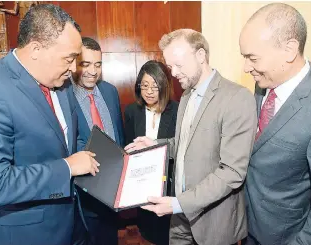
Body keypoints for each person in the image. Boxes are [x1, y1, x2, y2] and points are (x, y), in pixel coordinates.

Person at [0, 4, 99, 245]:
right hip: (28, 235)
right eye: (69, 58)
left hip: (74, 224)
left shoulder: (61, 82)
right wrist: (67, 168)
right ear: (36, 49)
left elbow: (69, 141)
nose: (74, 68)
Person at [125, 29, 257, 245]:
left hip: (214, 223)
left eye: (178, 64)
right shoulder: (186, 96)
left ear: (201, 56)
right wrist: (156, 144)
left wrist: (178, 204)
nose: (173, 73)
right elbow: (184, 143)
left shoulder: (237, 98)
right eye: (170, 66)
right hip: (180, 220)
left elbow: (232, 172)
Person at [239, 3, 311, 245]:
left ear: (289, 50)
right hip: (247, 230)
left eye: (252, 58)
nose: (246, 67)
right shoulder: (263, 83)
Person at [72, 37, 125, 245]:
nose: (93, 71)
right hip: (83, 195)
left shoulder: (110, 91)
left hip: (112, 192)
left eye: (98, 64)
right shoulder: (64, 95)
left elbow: (118, 135)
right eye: (85, 64)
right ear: (74, 63)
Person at [124, 60, 179, 245]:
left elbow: (179, 148)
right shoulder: (132, 111)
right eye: (144, 85)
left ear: (164, 86)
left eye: (155, 86)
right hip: (142, 183)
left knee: (168, 233)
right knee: (147, 232)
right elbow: (129, 147)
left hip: (169, 184)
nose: (148, 91)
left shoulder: (177, 110)